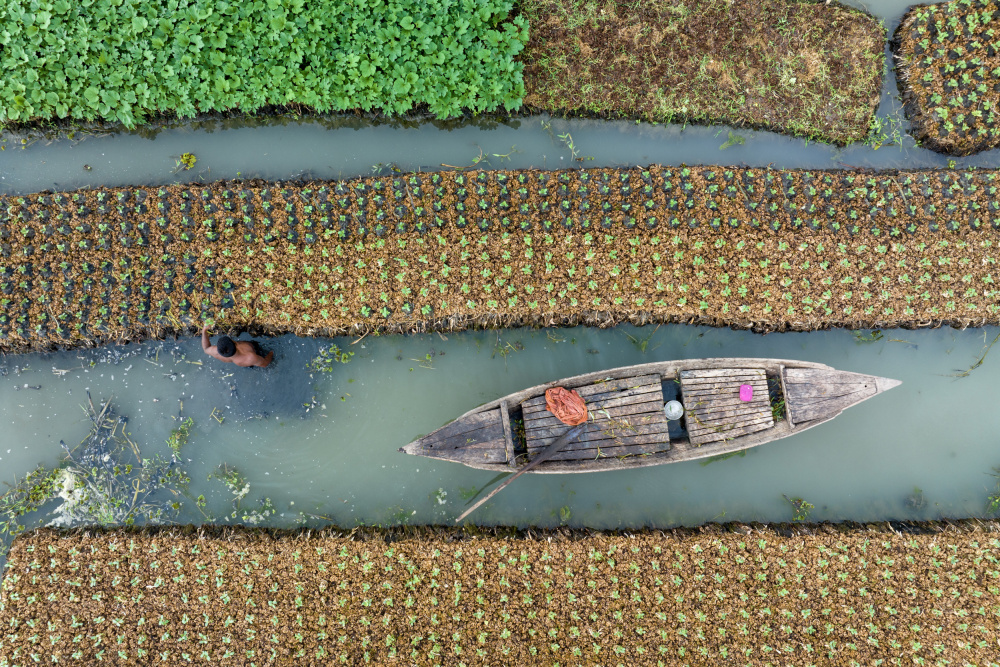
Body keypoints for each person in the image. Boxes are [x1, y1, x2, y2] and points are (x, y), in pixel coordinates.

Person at [201, 326, 274, 368]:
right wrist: (271, 352)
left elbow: (206, 348)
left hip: (241, 361)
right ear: (235, 342)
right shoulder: (250, 357)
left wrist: (204, 331)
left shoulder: (216, 352)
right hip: (253, 355)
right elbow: (265, 364)